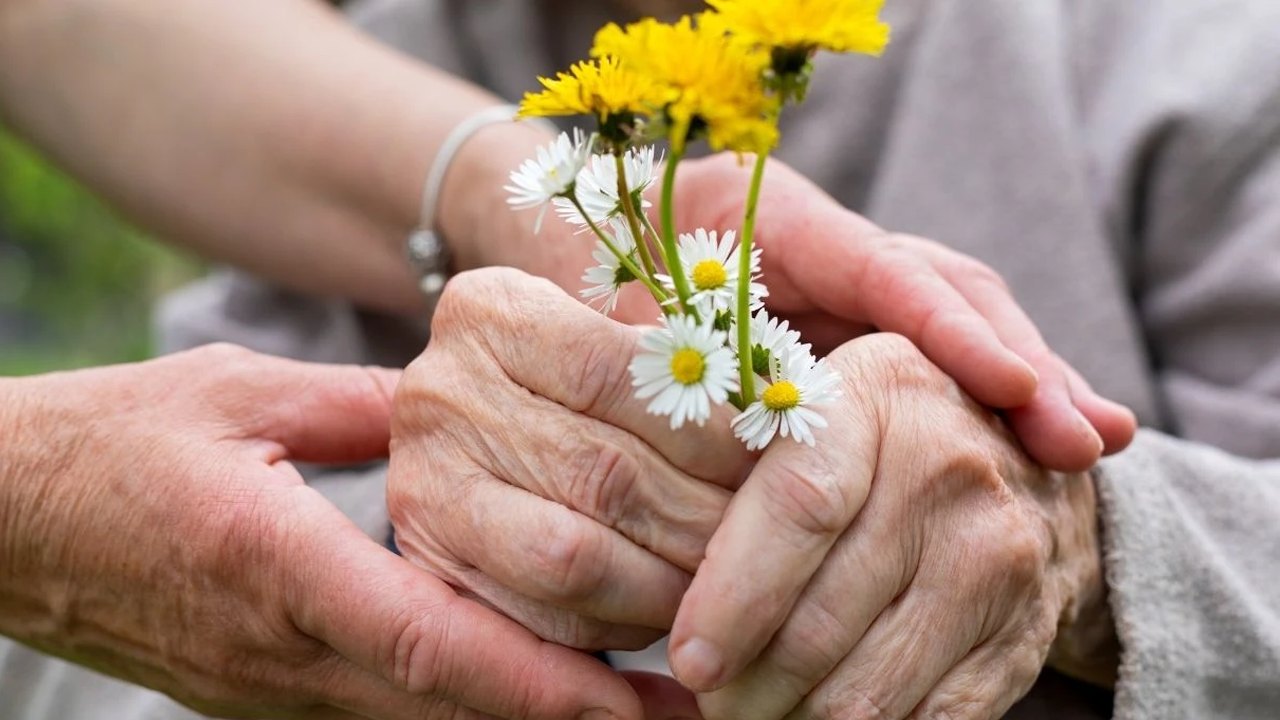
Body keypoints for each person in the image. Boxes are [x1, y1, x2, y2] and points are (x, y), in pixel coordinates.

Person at [151, 0, 1280, 719]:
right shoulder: (353, 79)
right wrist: (437, 558)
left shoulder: (1195, 56)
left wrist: (1088, 539)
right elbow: (135, 634)